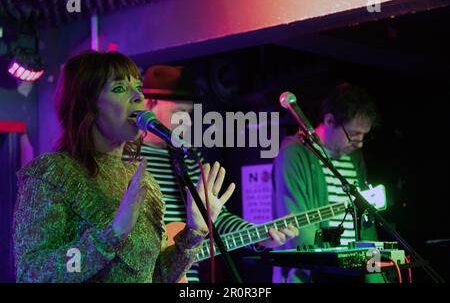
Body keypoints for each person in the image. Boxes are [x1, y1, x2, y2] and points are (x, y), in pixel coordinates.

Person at [12, 51, 235, 283]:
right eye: (119, 88)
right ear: (86, 106)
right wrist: (112, 234)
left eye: (138, 87)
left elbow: (157, 276)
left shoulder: (144, 181)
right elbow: (32, 273)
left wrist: (194, 232)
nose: (138, 96)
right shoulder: (53, 173)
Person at [140, 65, 299, 282]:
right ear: (151, 104)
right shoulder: (127, 158)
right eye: (178, 111)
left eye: (188, 113)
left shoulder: (187, 157)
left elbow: (216, 218)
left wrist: (259, 236)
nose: (184, 121)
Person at [272, 83, 379, 283]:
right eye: (354, 134)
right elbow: (296, 226)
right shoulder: (294, 154)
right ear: (329, 120)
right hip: (315, 274)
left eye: (364, 135)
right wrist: (336, 264)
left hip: (353, 272)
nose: (360, 142)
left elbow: (366, 223)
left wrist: (374, 274)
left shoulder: (355, 158)